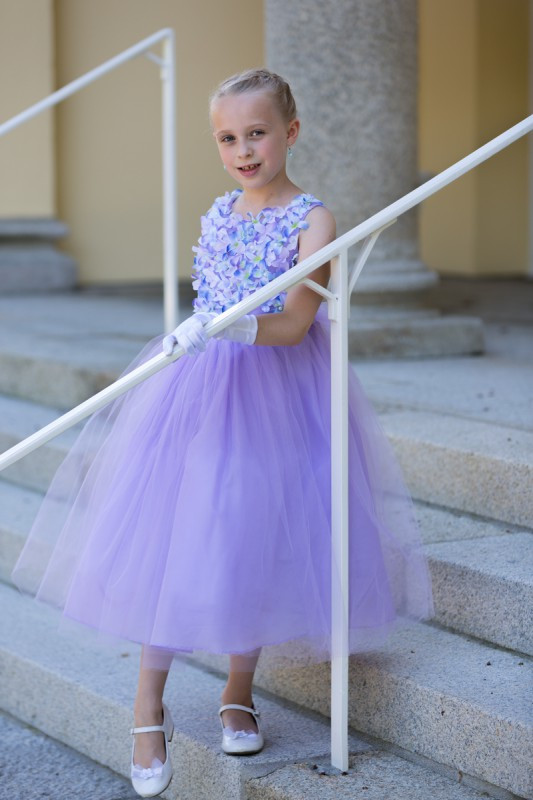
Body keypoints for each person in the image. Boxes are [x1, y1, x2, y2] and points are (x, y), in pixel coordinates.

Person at [12, 68, 434, 798]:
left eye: (257, 133)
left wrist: (232, 323)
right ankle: (148, 707)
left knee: (252, 531)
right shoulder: (218, 212)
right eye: (228, 137)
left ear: (290, 132)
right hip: (202, 389)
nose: (243, 149)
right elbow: (210, 289)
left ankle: (238, 691)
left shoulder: (314, 219)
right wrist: (200, 331)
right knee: (180, 529)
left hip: (281, 386)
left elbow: (299, 321)